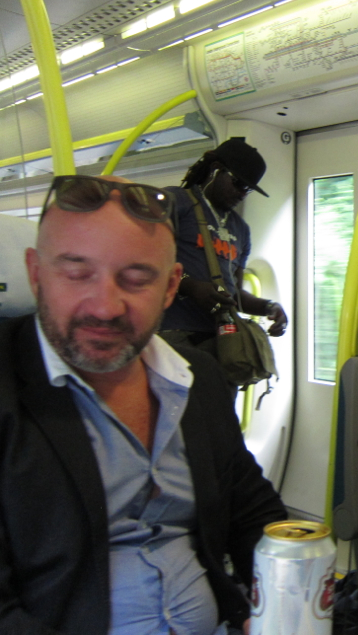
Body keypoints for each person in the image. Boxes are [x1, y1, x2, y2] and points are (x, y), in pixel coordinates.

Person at [1, 174, 287, 634]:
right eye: (76, 273)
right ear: (36, 274)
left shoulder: (199, 379)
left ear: (171, 287)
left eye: (136, 279)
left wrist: (279, 609)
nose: (105, 307)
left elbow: (252, 511)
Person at [159, 137, 287, 361]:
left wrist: (269, 307)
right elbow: (143, 264)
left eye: (248, 189)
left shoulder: (241, 229)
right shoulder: (176, 202)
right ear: (216, 170)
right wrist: (189, 286)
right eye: (238, 183)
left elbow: (236, 295)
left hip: (223, 340)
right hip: (174, 334)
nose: (242, 193)